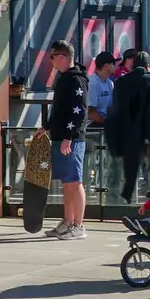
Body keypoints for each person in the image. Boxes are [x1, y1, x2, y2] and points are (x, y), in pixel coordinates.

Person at [105, 50, 150, 203]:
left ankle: (123, 202)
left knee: (128, 172)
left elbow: (116, 109)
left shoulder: (120, 82)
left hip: (127, 133)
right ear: (147, 66)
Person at [44, 41, 89, 240]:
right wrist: (45, 127)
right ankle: (67, 221)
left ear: (62, 56)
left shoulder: (76, 81)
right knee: (67, 182)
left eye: (52, 56)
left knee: (75, 181)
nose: (51, 60)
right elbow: (59, 109)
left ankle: (78, 225)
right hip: (62, 136)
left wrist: (68, 137)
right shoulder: (64, 79)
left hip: (71, 139)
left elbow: (80, 111)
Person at [86, 52, 117, 130]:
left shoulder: (110, 83)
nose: (115, 67)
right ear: (106, 66)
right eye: (113, 64)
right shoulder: (92, 83)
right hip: (92, 127)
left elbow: (111, 107)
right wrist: (110, 122)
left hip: (105, 124)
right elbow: (90, 113)